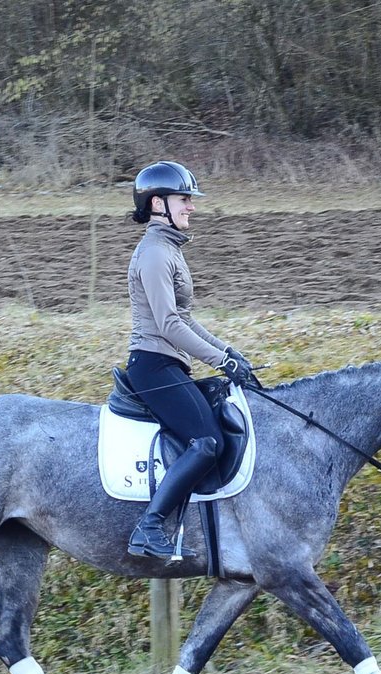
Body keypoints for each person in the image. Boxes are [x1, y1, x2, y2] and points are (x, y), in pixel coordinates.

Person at [124, 160, 259, 560]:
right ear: (157, 203)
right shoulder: (153, 254)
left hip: (168, 363)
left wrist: (230, 353)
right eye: (185, 199)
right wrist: (220, 360)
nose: (192, 207)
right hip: (153, 365)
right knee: (207, 442)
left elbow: (185, 319)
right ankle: (148, 528)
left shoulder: (168, 249)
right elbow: (167, 324)